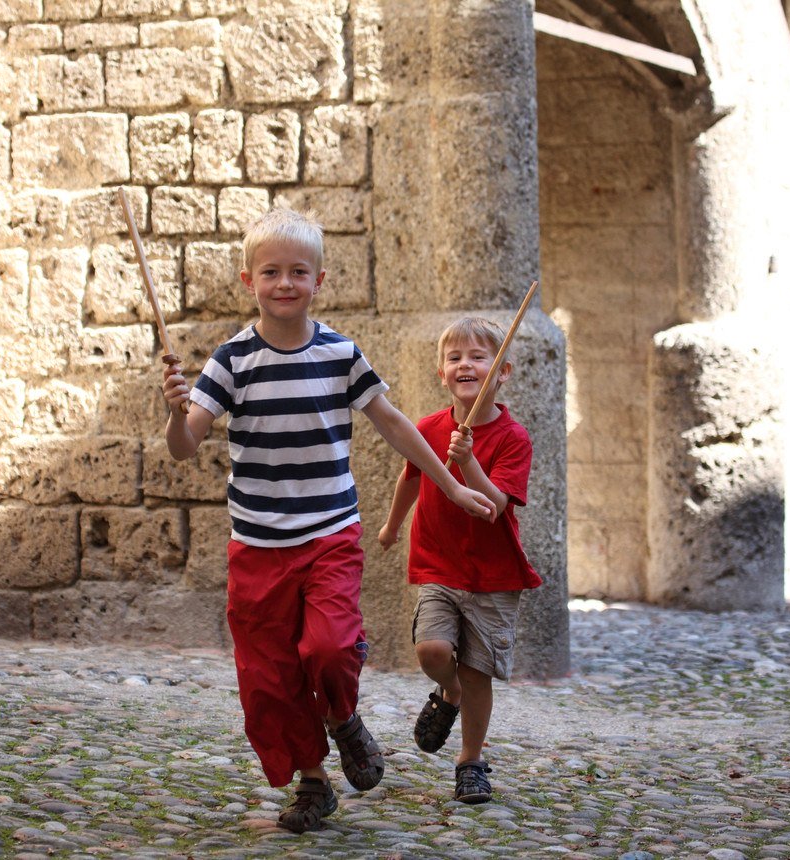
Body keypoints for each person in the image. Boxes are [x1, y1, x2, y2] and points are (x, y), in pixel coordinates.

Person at [162, 208, 496, 833]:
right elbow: (185, 447)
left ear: (321, 279)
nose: (284, 283)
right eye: (270, 272)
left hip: (328, 537)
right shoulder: (230, 361)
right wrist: (178, 413)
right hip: (256, 548)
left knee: (329, 647)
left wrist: (447, 484)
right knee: (269, 678)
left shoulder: (341, 353)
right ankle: (313, 783)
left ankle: (344, 718)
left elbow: (394, 422)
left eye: (298, 272)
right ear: (247, 280)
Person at [377, 316, 541, 805]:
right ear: (441, 374)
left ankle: (470, 759)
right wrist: (392, 525)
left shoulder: (514, 438)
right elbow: (411, 477)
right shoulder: (426, 427)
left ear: (503, 371)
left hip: (492, 575)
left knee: (478, 672)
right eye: (454, 357)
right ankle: (447, 693)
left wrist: (467, 459)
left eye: (478, 356)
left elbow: (495, 507)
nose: (465, 364)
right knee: (432, 652)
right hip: (438, 565)